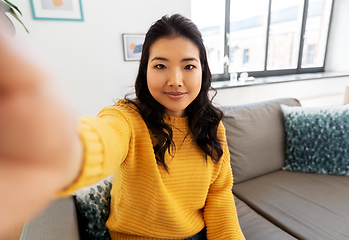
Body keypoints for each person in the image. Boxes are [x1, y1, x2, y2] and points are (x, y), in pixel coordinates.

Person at [0, 14, 245, 239]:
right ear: (144, 70)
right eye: (160, 65)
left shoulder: (212, 125)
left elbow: (220, 195)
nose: (176, 81)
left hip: (196, 234)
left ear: (203, 71)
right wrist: (57, 148)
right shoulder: (127, 117)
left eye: (189, 66)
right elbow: (105, 138)